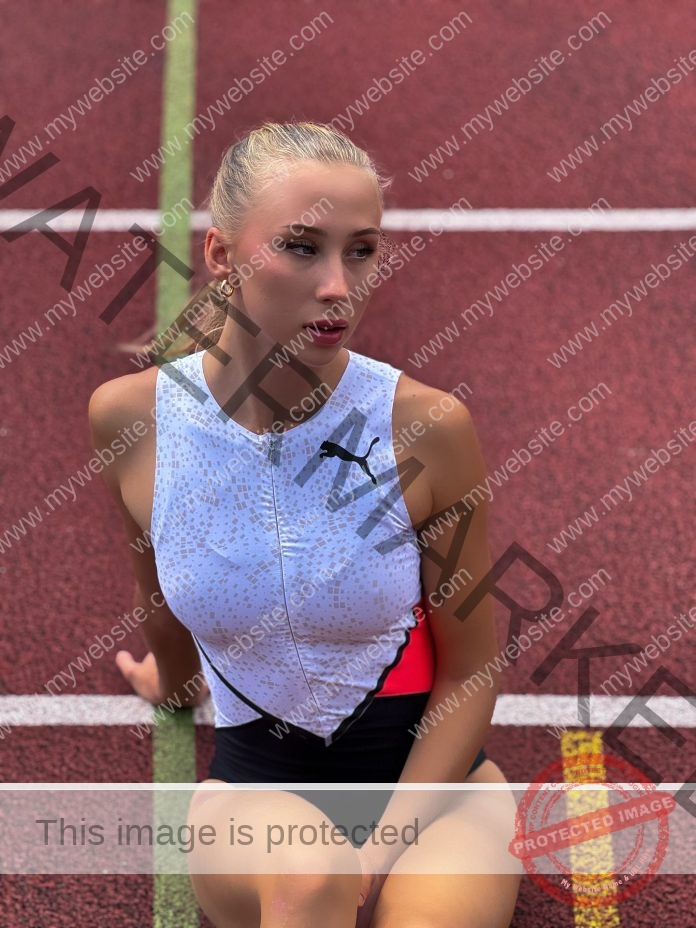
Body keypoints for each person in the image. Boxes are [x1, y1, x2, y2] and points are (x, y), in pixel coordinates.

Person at [89, 121, 522, 928]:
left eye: (361, 250)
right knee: (308, 876)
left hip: (432, 797)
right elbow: (158, 577)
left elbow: (469, 668)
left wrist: (381, 847)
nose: (339, 285)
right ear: (220, 255)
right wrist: (174, 679)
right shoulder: (133, 419)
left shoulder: (426, 429)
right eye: (302, 247)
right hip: (256, 798)